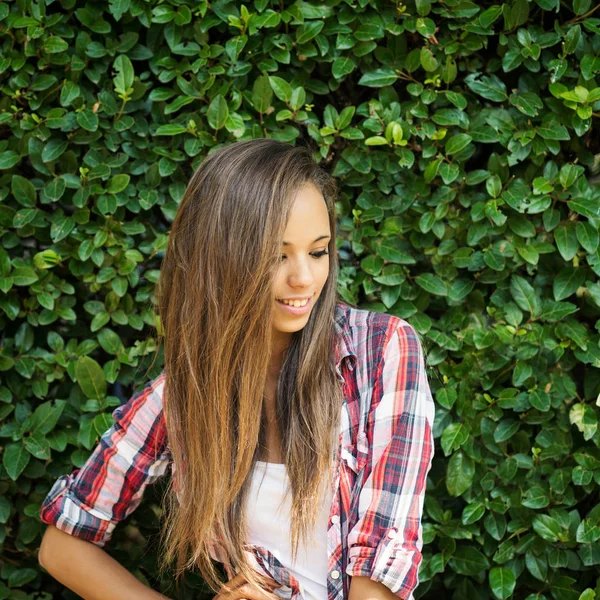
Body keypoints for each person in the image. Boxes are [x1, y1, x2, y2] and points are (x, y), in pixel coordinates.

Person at [38, 138, 436, 600]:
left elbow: (379, 582)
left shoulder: (381, 351)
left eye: (318, 251)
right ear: (222, 257)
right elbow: (61, 546)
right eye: (276, 255)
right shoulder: (187, 395)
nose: (303, 278)